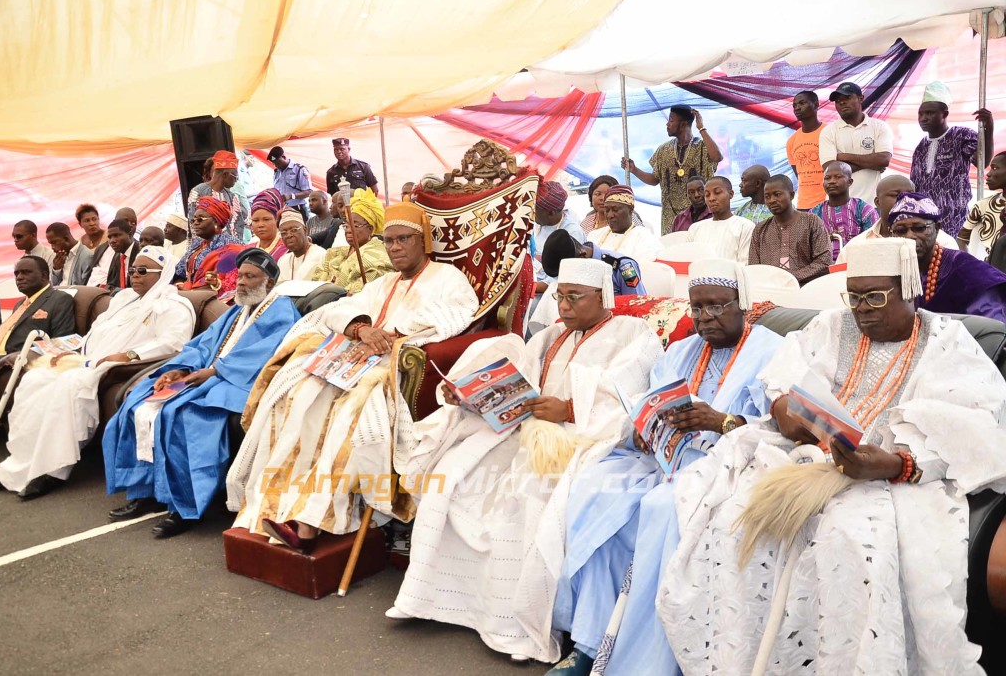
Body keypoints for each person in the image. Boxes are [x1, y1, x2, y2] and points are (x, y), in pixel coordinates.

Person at [659, 237, 1006, 675]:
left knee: (851, 539)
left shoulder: (946, 342)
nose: (862, 309)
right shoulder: (829, 326)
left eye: (875, 297)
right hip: (805, 456)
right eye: (854, 297)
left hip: (889, 480)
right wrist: (786, 412)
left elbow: (973, 426)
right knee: (729, 515)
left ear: (908, 290)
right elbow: (781, 384)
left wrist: (894, 463)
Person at [386, 258, 662, 663]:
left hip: (582, 438)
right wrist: (470, 397)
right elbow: (515, 384)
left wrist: (568, 409)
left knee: (526, 497)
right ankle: (425, 598)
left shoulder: (634, 334)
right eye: (559, 296)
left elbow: (631, 397)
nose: (563, 306)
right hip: (524, 429)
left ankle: (513, 628)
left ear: (603, 295)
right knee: (452, 473)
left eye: (574, 297)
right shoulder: (549, 335)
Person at [550, 259, 783, 675]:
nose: (705, 317)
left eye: (716, 306)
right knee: (593, 488)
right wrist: (642, 431)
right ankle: (588, 643)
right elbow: (647, 403)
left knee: (659, 509)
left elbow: (781, 428)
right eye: (697, 308)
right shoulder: (680, 350)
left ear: (743, 304)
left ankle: (646, 661)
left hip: (729, 465)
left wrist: (723, 422)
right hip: (663, 459)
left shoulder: (773, 350)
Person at [226, 201, 479, 547]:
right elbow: (341, 307)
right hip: (352, 363)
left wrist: (391, 334)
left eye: (404, 239)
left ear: (423, 240)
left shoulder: (448, 278)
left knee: (346, 417)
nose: (395, 247)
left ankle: (310, 522)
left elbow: (457, 314)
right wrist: (360, 328)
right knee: (298, 399)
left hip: (391, 368)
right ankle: (275, 506)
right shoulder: (383, 282)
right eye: (389, 241)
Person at [103, 248, 301, 536]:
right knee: (139, 403)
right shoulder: (238, 309)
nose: (241, 282)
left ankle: (187, 507)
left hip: (241, 383)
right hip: (208, 375)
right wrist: (180, 369)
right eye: (240, 276)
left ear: (269, 282)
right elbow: (203, 344)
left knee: (183, 415)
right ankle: (146, 491)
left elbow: (265, 355)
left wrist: (216, 371)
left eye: (250, 277)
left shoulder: (282, 311)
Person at [0, 247, 196, 500]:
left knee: (68, 386)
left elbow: (174, 343)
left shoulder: (173, 305)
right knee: (33, 380)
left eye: (143, 271)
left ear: (163, 274)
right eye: (133, 270)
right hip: (87, 360)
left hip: (117, 367)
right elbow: (95, 334)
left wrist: (129, 355)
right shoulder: (124, 299)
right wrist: (69, 352)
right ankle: (15, 469)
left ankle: (51, 470)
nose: (135, 275)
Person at [889, 192, 1006, 322]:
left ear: (937, 228)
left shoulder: (965, 268)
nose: (910, 236)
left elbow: (992, 324)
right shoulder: (887, 270)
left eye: (919, 228)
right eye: (900, 230)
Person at [0, 257, 76, 416]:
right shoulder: (20, 304)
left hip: (15, 358)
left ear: (44, 275)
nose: (19, 277)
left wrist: (26, 354)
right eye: (17, 273)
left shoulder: (59, 299)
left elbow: (62, 339)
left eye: (26, 272)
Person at [910, 81, 994, 239]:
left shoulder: (961, 135)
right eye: (921, 114)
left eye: (929, 113)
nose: (923, 118)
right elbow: (914, 186)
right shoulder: (920, 147)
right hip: (926, 222)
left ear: (945, 114)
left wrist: (989, 128)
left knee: (955, 254)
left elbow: (983, 162)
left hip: (955, 219)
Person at [624, 105, 723, 234]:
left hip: (699, 214)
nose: (667, 124)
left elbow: (717, 157)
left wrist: (701, 128)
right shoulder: (664, 149)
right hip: (670, 217)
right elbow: (654, 179)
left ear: (683, 124)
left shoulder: (702, 146)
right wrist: (634, 169)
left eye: (671, 120)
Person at [837, 175, 958, 262]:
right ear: (877, 202)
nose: (905, 200)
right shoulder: (855, 247)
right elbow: (839, 283)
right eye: (896, 195)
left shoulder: (943, 242)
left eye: (910, 194)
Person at [819, 82, 893, 203]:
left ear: (861, 98)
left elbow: (883, 160)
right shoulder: (828, 131)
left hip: (872, 203)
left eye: (847, 97)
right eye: (838, 100)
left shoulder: (879, 126)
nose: (842, 102)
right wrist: (872, 163)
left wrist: (843, 157)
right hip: (839, 204)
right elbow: (830, 169)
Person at [751, 175, 832, 283]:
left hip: (806, 287)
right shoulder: (760, 229)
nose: (772, 200)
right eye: (767, 196)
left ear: (791, 195)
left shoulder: (812, 222)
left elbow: (824, 261)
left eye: (777, 194)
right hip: (770, 288)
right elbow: (754, 268)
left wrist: (789, 279)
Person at [311, 188, 394, 293]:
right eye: (347, 225)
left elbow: (356, 293)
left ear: (370, 229)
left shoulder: (377, 258)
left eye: (355, 226)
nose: (349, 230)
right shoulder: (334, 253)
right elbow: (314, 282)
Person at [809, 161, 879, 259]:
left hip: (857, 263)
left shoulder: (864, 210)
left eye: (838, 177)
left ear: (850, 182)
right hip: (823, 266)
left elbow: (873, 244)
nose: (831, 181)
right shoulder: (814, 214)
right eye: (827, 178)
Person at [174, 197, 243, 293]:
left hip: (215, 295)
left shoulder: (231, 245)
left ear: (216, 221)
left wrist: (191, 291)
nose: (195, 223)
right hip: (188, 292)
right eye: (193, 220)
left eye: (200, 219)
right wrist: (180, 285)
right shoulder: (197, 244)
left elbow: (230, 280)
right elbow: (179, 272)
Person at [688, 176, 755, 264]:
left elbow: (744, 264)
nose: (711, 198)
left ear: (731, 194)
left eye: (717, 193)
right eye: (707, 195)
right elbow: (689, 262)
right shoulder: (695, 228)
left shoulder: (745, 226)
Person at [586, 185, 662, 261]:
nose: (610, 215)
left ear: (630, 210)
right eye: (607, 210)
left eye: (615, 210)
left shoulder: (644, 237)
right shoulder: (594, 235)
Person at [534, 181, 586, 286]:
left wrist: (529, 287)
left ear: (550, 213)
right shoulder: (536, 224)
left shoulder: (572, 232)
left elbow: (564, 278)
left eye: (535, 210)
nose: (532, 213)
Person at [186, 150, 247, 238]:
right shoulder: (198, 192)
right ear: (225, 175)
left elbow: (241, 222)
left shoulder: (232, 197)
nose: (236, 179)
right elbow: (194, 226)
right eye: (235, 175)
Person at [959, 151, 1006, 255]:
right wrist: (970, 262)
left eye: (995, 168)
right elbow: (961, 239)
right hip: (990, 264)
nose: (988, 174)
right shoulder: (982, 205)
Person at [786, 90, 827, 210]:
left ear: (816, 104)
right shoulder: (791, 141)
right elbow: (799, 175)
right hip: (803, 205)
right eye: (794, 106)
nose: (797, 108)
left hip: (828, 202)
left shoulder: (829, 133)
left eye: (802, 103)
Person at [276, 209, 326, 282]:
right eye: (284, 233)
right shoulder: (283, 261)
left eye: (294, 230)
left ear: (305, 230)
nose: (289, 235)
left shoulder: (321, 255)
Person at [266, 146, 313, 221]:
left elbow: (309, 192)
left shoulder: (299, 169)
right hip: (282, 210)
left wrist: (292, 196)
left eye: (278, 163)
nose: (276, 166)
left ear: (284, 157)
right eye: (274, 164)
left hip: (298, 209)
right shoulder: (277, 172)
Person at [46, 222, 94, 287]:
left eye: (54, 242)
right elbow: (54, 284)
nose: (52, 247)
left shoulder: (87, 256)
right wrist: (56, 269)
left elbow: (86, 287)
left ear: (66, 239)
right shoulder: (60, 256)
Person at [248, 188, 288, 261]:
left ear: (277, 220)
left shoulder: (287, 249)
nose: (260, 225)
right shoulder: (248, 250)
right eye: (255, 220)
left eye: (266, 219)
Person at [104, 219, 140, 291]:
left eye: (116, 235)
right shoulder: (118, 255)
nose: (112, 241)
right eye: (110, 237)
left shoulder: (140, 254)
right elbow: (112, 282)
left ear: (130, 235)